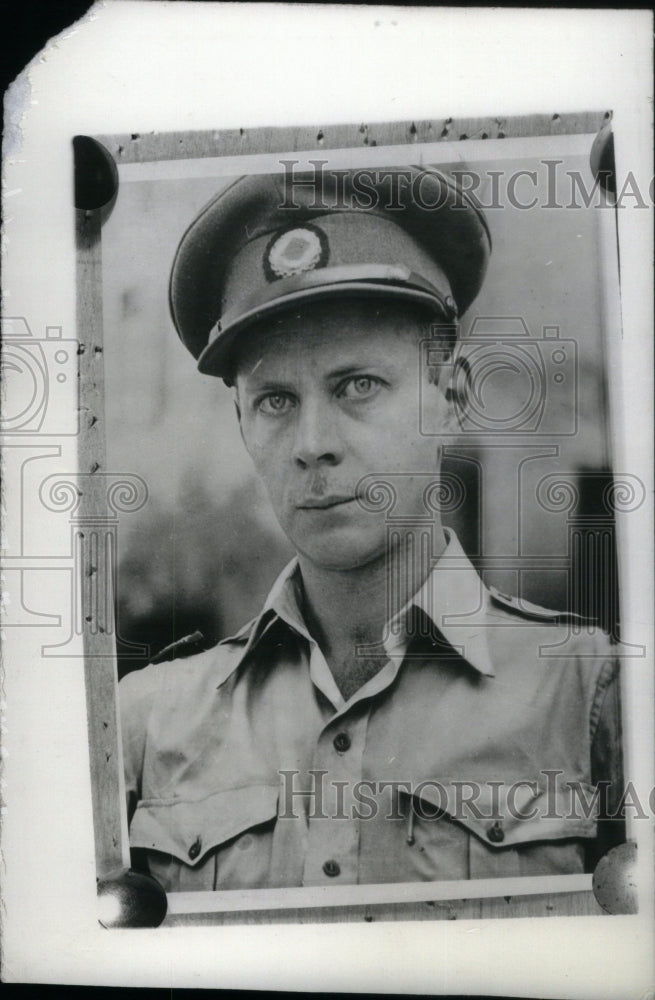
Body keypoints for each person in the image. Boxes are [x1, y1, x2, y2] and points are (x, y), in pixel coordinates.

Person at [120, 165, 623, 892]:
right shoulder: (147, 724)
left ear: (449, 398)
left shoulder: (588, 693)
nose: (311, 442)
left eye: (358, 385)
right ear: (240, 423)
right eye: (273, 401)